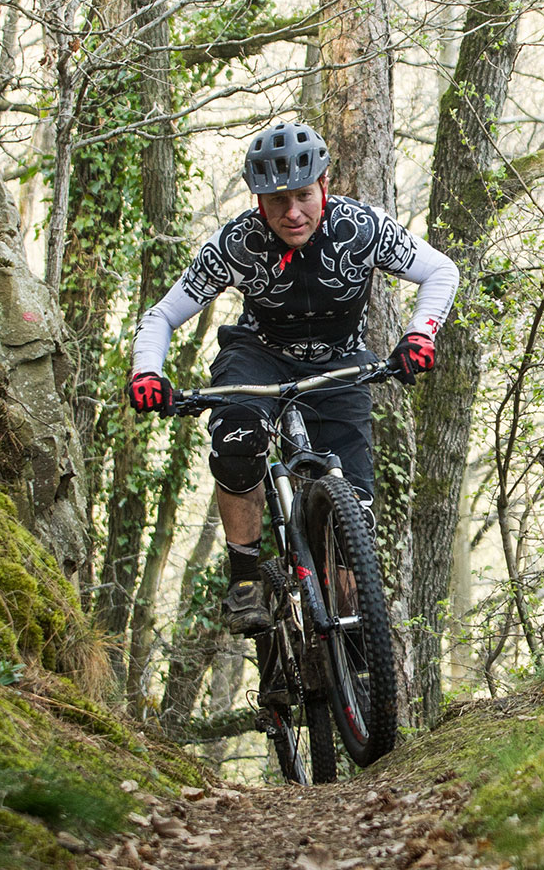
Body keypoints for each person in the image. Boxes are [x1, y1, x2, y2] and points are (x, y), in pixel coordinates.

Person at [125, 121, 458, 633]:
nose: (293, 213)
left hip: (339, 360)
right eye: (277, 201)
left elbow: (440, 270)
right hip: (260, 354)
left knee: (354, 518)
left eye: (303, 196)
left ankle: (353, 641)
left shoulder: (360, 228)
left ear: (324, 185)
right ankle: (244, 580)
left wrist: (421, 334)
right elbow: (162, 315)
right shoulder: (237, 242)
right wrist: (147, 372)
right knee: (237, 438)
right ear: (258, 201)